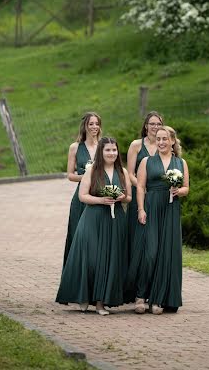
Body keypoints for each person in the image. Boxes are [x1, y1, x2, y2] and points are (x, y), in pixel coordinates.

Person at [56, 136, 131, 315]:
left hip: (115, 220)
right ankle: (83, 296)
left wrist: (122, 197)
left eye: (114, 150)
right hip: (93, 217)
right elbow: (83, 195)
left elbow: (128, 197)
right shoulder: (92, 171)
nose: (111, 153)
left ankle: (100, 303)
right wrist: (100, 200)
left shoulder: (123, 172)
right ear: (101, 152)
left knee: (109, 259)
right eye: (108, 150)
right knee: (91, 258)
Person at [126, 125, 189, 315]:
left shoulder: (181, 163)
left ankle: (158, 299)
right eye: (158, 139)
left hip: (171, 209)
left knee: (166, 254)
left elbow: (187, 188)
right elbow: (140, 187)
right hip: (151, 208)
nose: (161, 142)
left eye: (165, 139)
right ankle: (139, 296)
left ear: (172, 141)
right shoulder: (146, 161)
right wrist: (141, 209)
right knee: (150, 253)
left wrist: (179, 191)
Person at [62, 112, 102, 266]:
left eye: (97, 124)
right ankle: (74, 272)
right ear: (85, 126)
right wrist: (87, 177)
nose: (94, 127)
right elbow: (70, 175)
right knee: (77, 235)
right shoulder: (75, 147)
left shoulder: (103, 146)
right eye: (91, 124)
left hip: (99, 195)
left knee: (96, 238)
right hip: (80, 198)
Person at [126, 111, 163, 262]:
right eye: (152, 124)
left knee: (155, 236)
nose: (155, 126)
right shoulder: (136, 145)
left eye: (158, 124)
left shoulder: (164, 145)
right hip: (139, 196)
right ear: (146, 126)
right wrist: (142, 188)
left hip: (158, 196)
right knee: (138, 234)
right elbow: (129, 174)